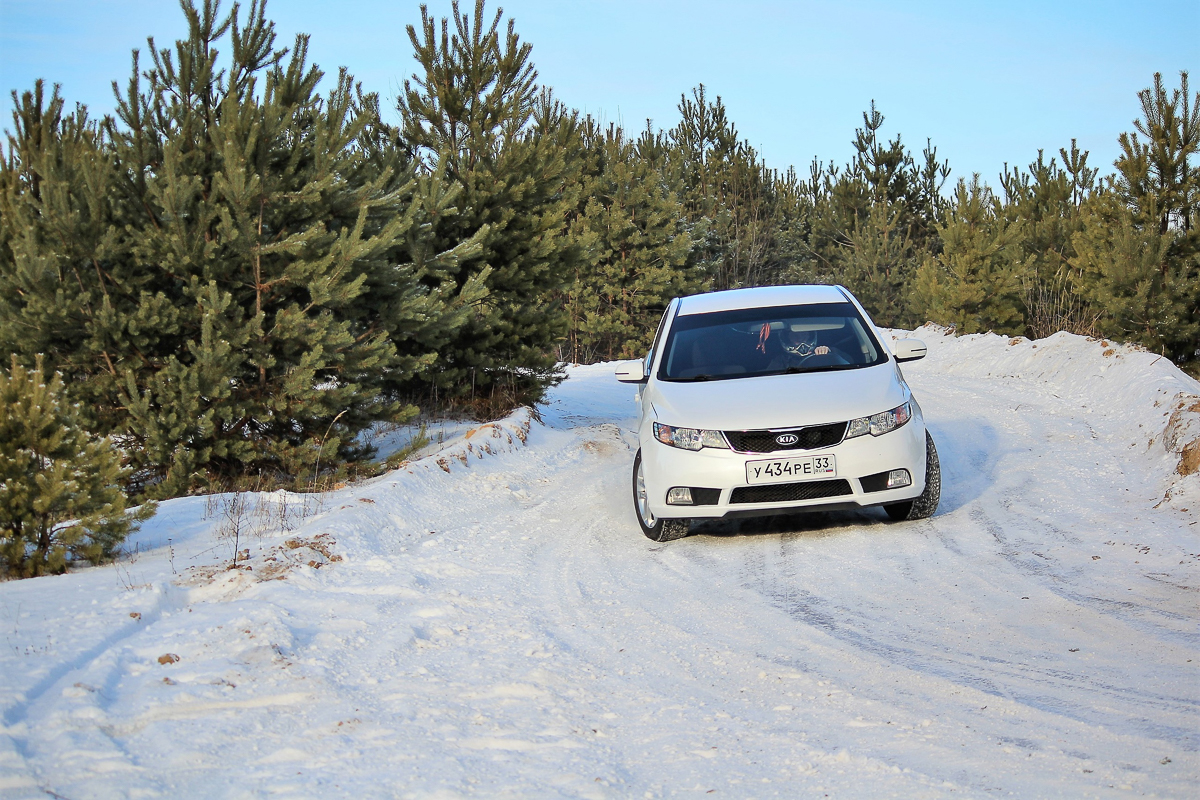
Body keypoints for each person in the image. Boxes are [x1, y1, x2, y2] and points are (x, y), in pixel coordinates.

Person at [767, 323, 831, 370]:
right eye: (795, 336)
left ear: (810, 336)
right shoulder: (780, 361)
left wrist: (826, 354)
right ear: (788, 339)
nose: (800, 339)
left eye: (804, 334)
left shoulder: (825, 352)